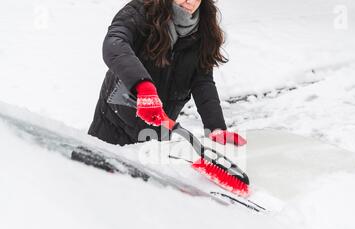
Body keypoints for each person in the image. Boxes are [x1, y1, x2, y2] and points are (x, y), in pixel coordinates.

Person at [88, 0, 246, 147]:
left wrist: (215, 126)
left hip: (156, 136)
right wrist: (143, 86)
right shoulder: (141, 12)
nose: (190, 2)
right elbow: (115, 43)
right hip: (114, 126)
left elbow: (202, 82)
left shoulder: (203, 30)